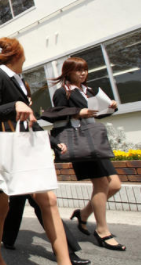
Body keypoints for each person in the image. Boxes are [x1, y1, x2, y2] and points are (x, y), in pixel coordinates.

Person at [0, 38, 71, 265]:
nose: (25, 59)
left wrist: (51, 141)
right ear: (16, 56)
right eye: (23, 55)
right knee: (1, 208)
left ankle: (65, 260)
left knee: (48, 200)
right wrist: (15, 105)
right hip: (1, 151)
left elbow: (30, 120)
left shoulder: (19, 80)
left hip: (24, 149)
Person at [47, 56, 125, 251]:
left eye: (85, 70)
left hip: (95, 142)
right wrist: (76, 112)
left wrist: (110, 107)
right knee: (102, 183)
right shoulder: (62, 92)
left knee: (114, 185)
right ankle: (102, 231)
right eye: (78, 70)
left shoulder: (88, 90)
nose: (82, 73)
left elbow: (96, 113)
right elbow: (55, 115)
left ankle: (83, 214)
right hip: (81, 143)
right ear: (68, 72)